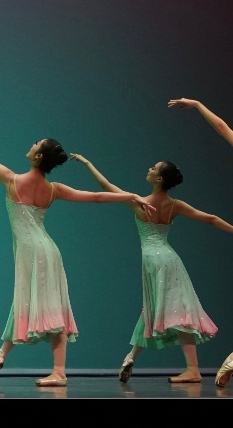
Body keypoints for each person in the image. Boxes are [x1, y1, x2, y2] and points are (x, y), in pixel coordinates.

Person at [0, 122, 154, 387]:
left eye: (36, 144)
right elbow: (96, 197)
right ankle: (45, 367)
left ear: (38, 156)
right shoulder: (53, 189)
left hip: (32, 253)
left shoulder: (12, 179)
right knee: (47, 306)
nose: (32, 144)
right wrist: (131, 196)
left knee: (28, 303)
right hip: (48, 251)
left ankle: (24, 361)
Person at [68, 154, 231, 385]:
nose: (149, 169)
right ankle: (176, 365)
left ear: (160, 178)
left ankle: (150, 361)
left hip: (152, 261)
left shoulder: (140, 202)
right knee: (175, 310)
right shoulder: (174, 205)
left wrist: (87, 163)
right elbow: (211, 218)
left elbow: (106, 186)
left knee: (159, 310)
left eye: (154, 168)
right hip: (170, 259)